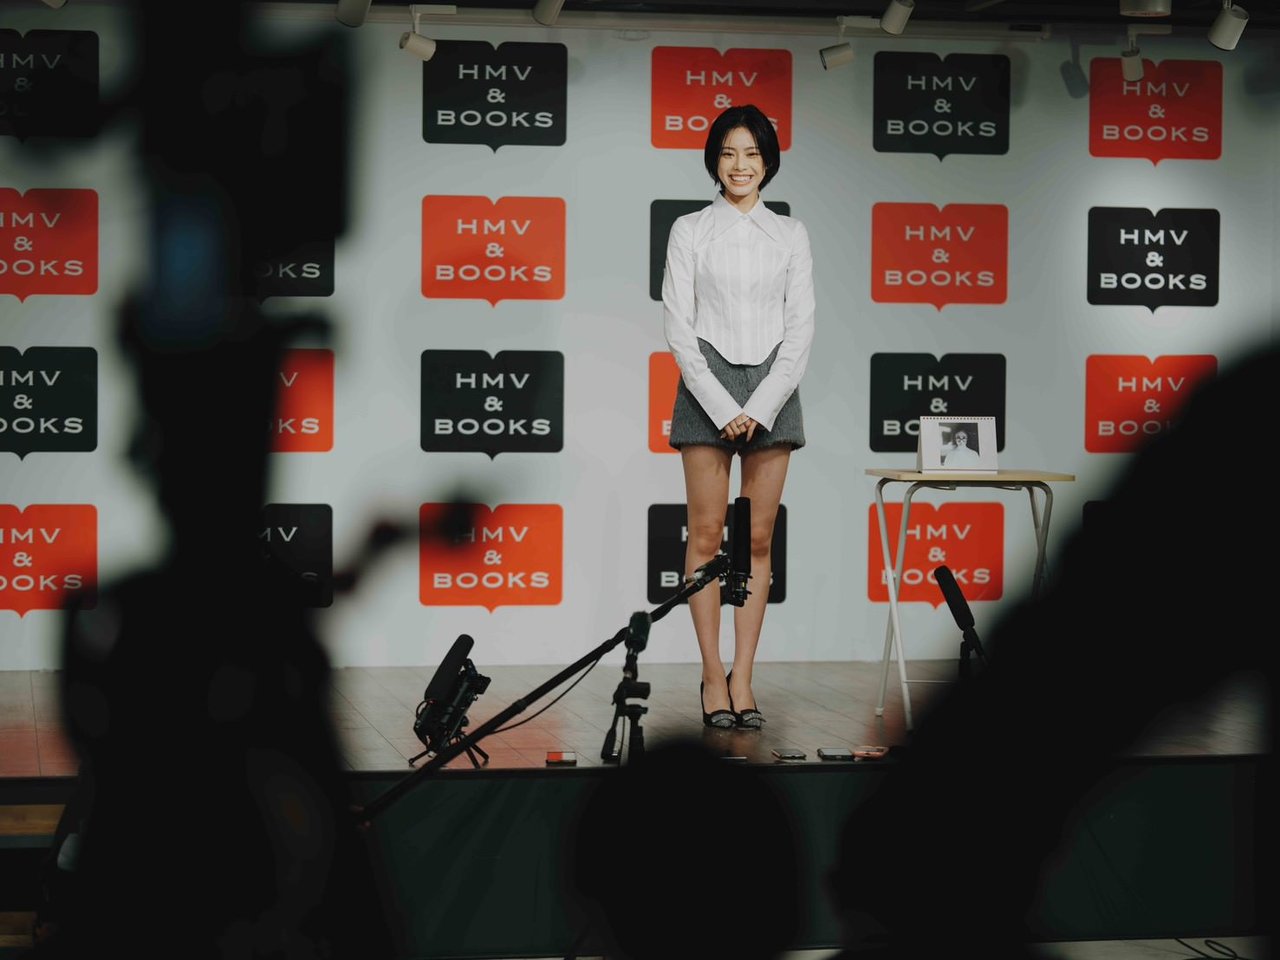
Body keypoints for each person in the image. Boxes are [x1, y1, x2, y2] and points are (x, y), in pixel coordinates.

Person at [661, 104, 815, 730]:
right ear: (714, 161)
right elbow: (678, 325)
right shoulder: (689, 229)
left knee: (757, 540)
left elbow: (800, 329)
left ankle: (744, 677)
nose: (740, 165)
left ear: (768, 161)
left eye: (751, 153)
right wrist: (724, 407)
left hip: (775, 385)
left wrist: (761, 405)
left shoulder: (791, 233)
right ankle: (710, 674)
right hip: (706, 383)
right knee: (705, 537)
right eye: (728, 153)